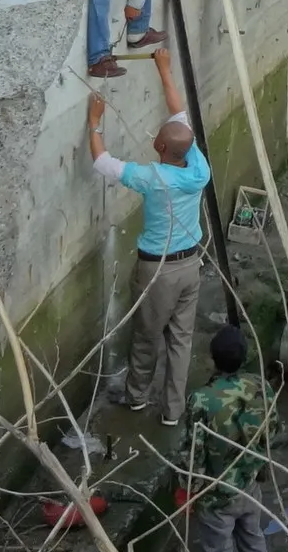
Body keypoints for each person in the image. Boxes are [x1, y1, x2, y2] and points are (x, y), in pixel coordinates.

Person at [88, 45, 210, 425]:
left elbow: (102, 162)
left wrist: (94, 123)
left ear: (158, 147)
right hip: (190, 266)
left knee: (146, 336)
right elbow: (179, 114)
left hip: (157, 271)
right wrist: (164, 69)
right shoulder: (198, 169)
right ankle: (173, 411)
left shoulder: (151, 178)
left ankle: (138, 397)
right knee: (181, 340)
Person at [180, 322, 272, 552]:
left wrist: (188, 490)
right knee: (254, 541)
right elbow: (273, 431)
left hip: (216, 494)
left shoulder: (201, 399)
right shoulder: (261, 387)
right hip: (250, 485)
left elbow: (193, 454)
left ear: (212, 359)